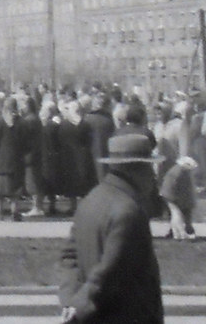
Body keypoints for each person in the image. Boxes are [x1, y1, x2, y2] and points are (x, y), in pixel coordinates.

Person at [59, 134, 164, 323]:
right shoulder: (129, 211)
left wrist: (70, 299)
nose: (153, 176)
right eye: (150, 167)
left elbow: (69, 257)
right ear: (137, 170)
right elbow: (111, 269)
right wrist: (80, 303)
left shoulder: (92, 199)